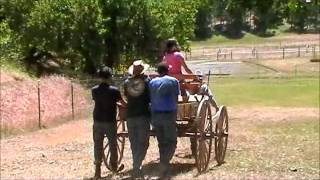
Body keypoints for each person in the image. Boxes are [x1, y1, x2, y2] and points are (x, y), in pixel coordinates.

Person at [91, 66, 126, 179]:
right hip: (110, 121)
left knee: (98, 145)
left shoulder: (94, 90)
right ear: (109, 76)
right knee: (112, 144)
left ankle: (97, 170)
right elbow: (122, 103)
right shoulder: (114, 90)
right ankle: (114, 167)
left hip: (97, 120)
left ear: (99, 76)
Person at [149, 63, 180, 178]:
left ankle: (163, 163)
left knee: (161, 142)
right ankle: (164, 164)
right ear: (168, 71)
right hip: (169, 114)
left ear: (158, 71)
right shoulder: (173, 81)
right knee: (172, 141)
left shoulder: (152, 82)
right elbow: (176, 99)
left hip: (155, 115)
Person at [124, 60, 151, 178]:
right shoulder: (146, 82)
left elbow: (126, 95)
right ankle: (137, 166)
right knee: (143, 142)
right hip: (143, 115)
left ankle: (136, 164)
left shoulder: (126, 83)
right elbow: (150, 97)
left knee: (134, 142)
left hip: (130, 115)